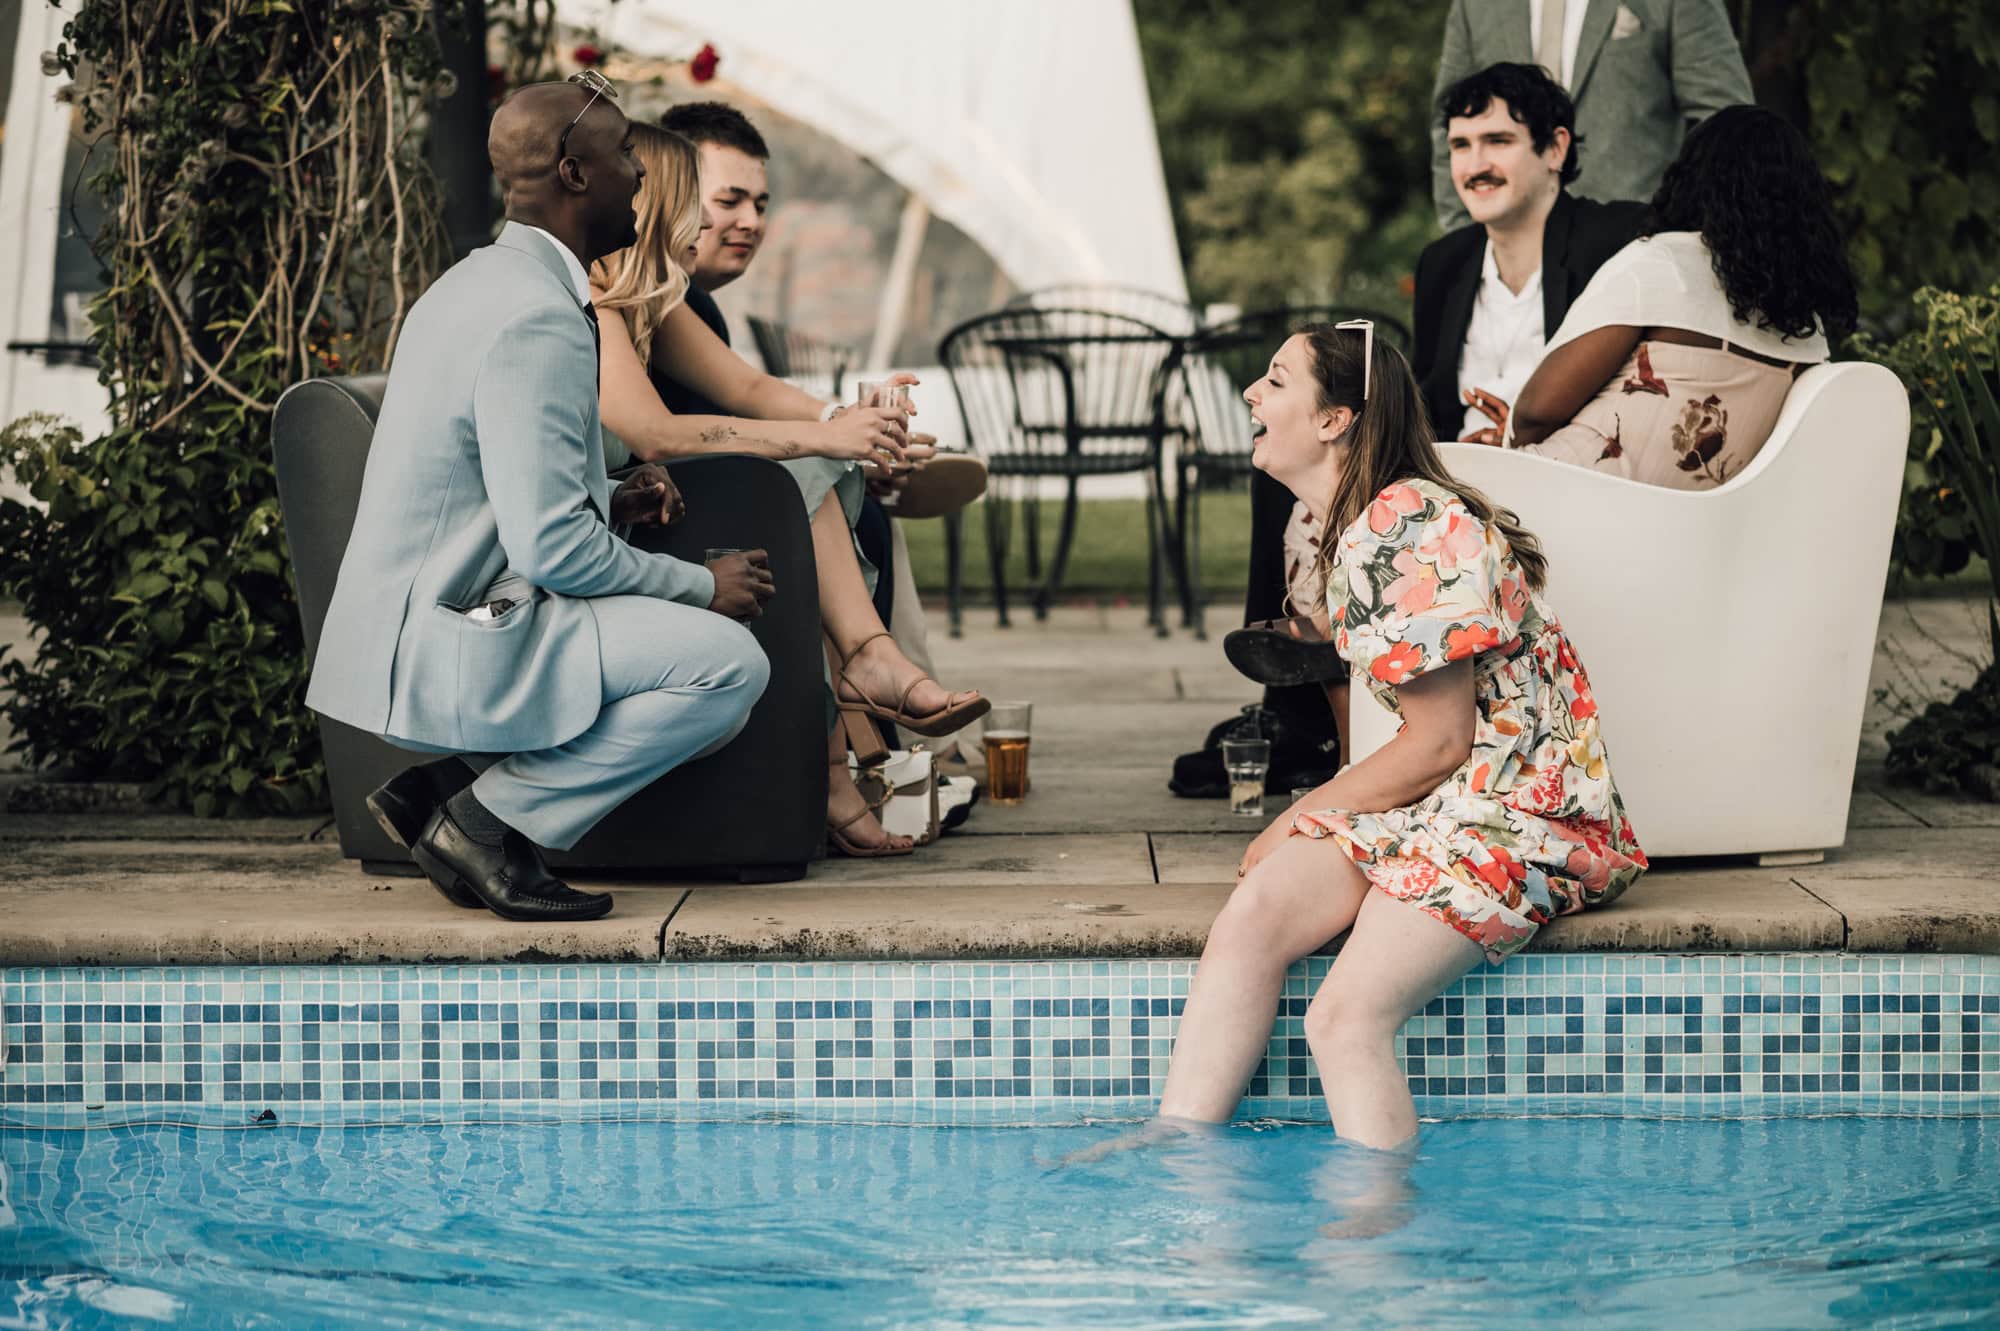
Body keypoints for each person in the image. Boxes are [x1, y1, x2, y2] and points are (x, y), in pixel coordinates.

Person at [1155, 322, 1645, 1155]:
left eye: (1275, 381)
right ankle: (1174, 1148)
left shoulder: (1407, 524)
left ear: (1334, 419)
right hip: (1444, 804)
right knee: (1256, 912)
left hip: (1523, 816)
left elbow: (1441, 738)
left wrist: (1297, 814)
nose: (1252, 394)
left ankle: (1379, 1250)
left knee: (1343, 1020)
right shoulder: (1356, 525)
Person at [305, 77, 775, 920]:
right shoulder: (540, 316)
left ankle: (442, 790)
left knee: (701, 663)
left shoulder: (471, 286)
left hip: (419, 626)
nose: (641, 173)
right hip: (455, 640)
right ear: (574, 173)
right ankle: (483, 820)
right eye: (626, 153)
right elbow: (554, 552)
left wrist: (607, 492)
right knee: (727, 665)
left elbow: (494, 481)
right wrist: (709, 585)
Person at [589, 123, 988, 855]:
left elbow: (744, 386)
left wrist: (845, 423)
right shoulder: (599, 293)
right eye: (700, 206)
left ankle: (859, 731)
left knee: (809, 476)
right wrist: (825, 438)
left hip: (662, 501)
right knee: (802, 476)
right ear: (650, 209)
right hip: (620, 522)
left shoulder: (657, 299)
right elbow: (652, 434)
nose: (716, 225)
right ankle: (865, 719)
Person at [1499, 104, 1858, 484]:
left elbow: (1536, 413)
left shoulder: (1661, 265)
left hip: (1568, 500)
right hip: (1687, 534)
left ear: (1692, 179)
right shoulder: (1805, 331)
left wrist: (1510, 456)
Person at [1416, 62, 1649, 447]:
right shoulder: (1441, 263)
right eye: (1461, 145)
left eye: (1498, 141)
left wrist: (1522, 441)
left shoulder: (1618, 242)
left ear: (1555, 149)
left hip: (1573, 485)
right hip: (1456, 488)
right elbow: (1423, 413)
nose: (1475, 166)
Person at [1429, 0, 1752, 232]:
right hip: (1512, 262)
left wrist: (1682, 234)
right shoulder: (1474, 6)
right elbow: (1449, 119)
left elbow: (1727, 123)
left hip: (1638, 247)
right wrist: (1463, 237)